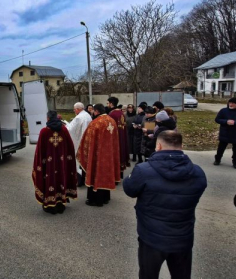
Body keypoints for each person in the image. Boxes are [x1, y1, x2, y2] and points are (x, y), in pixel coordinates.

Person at [124, 131, 207, 279]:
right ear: (181, 146)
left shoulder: (143, 170)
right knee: (181, 275)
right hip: (183, 236)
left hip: (151, 237)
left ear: (158, 146)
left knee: (148, 274)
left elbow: (130, 190)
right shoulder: (198, 172)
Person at [32, 111, 78, 214]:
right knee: (61, 179)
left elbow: (39, 152)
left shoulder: (44, 131)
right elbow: (70, 147)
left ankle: (50, 205)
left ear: (47, 118)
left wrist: (39, 164)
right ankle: (61, 203)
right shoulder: (64, 130)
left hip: (48, 165)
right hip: (62, 163)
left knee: (50, 180)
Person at [77, 104, 120, 207]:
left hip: (97, 156)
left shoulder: (95, 123)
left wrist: (83, 153)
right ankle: (105, 198)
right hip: (109, 155)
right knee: (105, 174)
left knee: (95, 173)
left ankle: (95, 200)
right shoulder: (112, 121)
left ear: (96, 111)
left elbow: (87, 142)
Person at [66, 102, 93, 187]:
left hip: (79, 142)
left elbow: (70, 129)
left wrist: (65, 125)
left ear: (77, 109)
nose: (74, 111)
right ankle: (86, 178)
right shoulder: (87, 115)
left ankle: (79, 180)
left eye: (74, 109)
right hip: (86, 141)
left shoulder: (79, 117)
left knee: (78, 161)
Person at [107, 97, 128, 174]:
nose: (107, 104)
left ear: (111, 103)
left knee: (115, 156)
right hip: (121, 137)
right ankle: (120, 173)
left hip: (115, 138)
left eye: (108, 103)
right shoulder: (121, 113)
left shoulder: (112, 114)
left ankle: (115, 175)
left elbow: (109, 128)